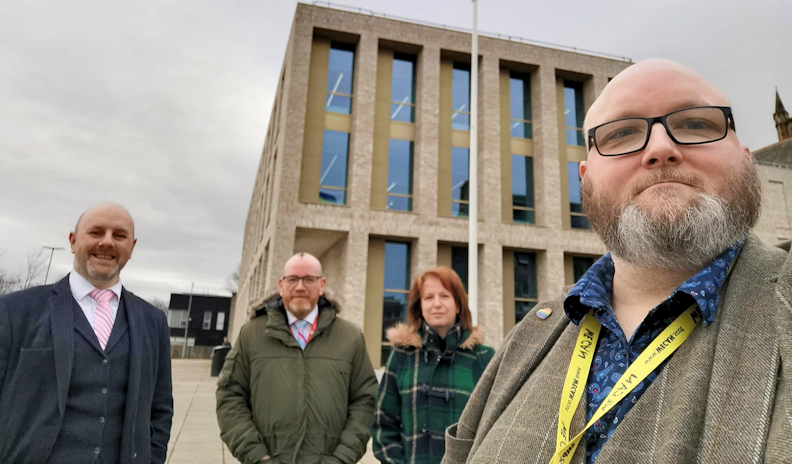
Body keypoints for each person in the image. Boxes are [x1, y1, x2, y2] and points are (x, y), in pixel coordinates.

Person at [444, 60, 792, 464]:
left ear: (746, 158)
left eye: (696, 124)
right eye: (623, 133)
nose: (661, 148)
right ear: (585, 179)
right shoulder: (529, 335)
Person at [0, 202, 173, 463]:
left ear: (131, 247)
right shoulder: (12, 312)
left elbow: (160, 409)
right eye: (96, 232)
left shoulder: (153, 322)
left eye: (119, 235)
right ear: (73, 241)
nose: (108, 242)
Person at [216, 252, 378, 463]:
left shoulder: (350, 337)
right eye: (293, 279)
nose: (300, 286)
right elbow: (230, 396)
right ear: (281, 285)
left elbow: (365, 400)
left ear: (322, 285)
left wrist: (342, 457)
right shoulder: (252, 334)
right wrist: (257, 456)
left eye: (309, 279)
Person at [372, 267, 494, 464]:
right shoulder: (402, 356)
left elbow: (493, 427)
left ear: (458, 305)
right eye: (428, 297)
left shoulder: (483, 358)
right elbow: (383, 426)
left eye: (445, 296)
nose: (437, 304)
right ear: (419, 306)